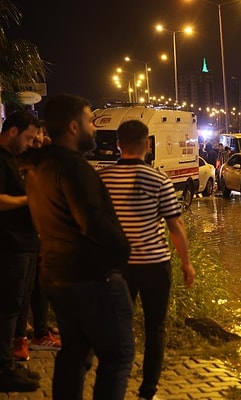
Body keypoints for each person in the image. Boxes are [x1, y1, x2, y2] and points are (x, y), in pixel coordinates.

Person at [22, 94, 135, 400]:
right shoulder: (74, 168)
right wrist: (122, 252)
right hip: (92, 277)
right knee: (118, 356)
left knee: (74, 353)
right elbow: (93, 222)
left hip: (57, 274)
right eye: (89, 121)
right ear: (73, 127)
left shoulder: (38, 166)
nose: (94, 129)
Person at [98, 119, 195, 400]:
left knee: (116, 326)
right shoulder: (159, 179)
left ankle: (115, 383)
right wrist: (186, 263)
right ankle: (147, 391)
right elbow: (175, 226)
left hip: (118, 267)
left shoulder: (102, 179)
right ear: (148, 144)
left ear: (118, 144)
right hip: (155, 265)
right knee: (155, 328)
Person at [0, 110, 42, 392]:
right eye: (28, 137)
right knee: (7, 307)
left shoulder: (15, 159)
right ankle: (4, 370)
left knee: (19, 305)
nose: (30, 143)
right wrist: (29, 199)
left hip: (25, 244)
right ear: (13, 131)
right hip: (9, 244)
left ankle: (12, 365)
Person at [22, 125, 62, 353]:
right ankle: (29, 333)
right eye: (34, 134)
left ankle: (39, 328)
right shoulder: (20, 163)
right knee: (30, 286)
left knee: (40, 285)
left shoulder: (37, 159)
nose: (38, 138)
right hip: (26, 235)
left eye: (39, 133)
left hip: (40, 234)